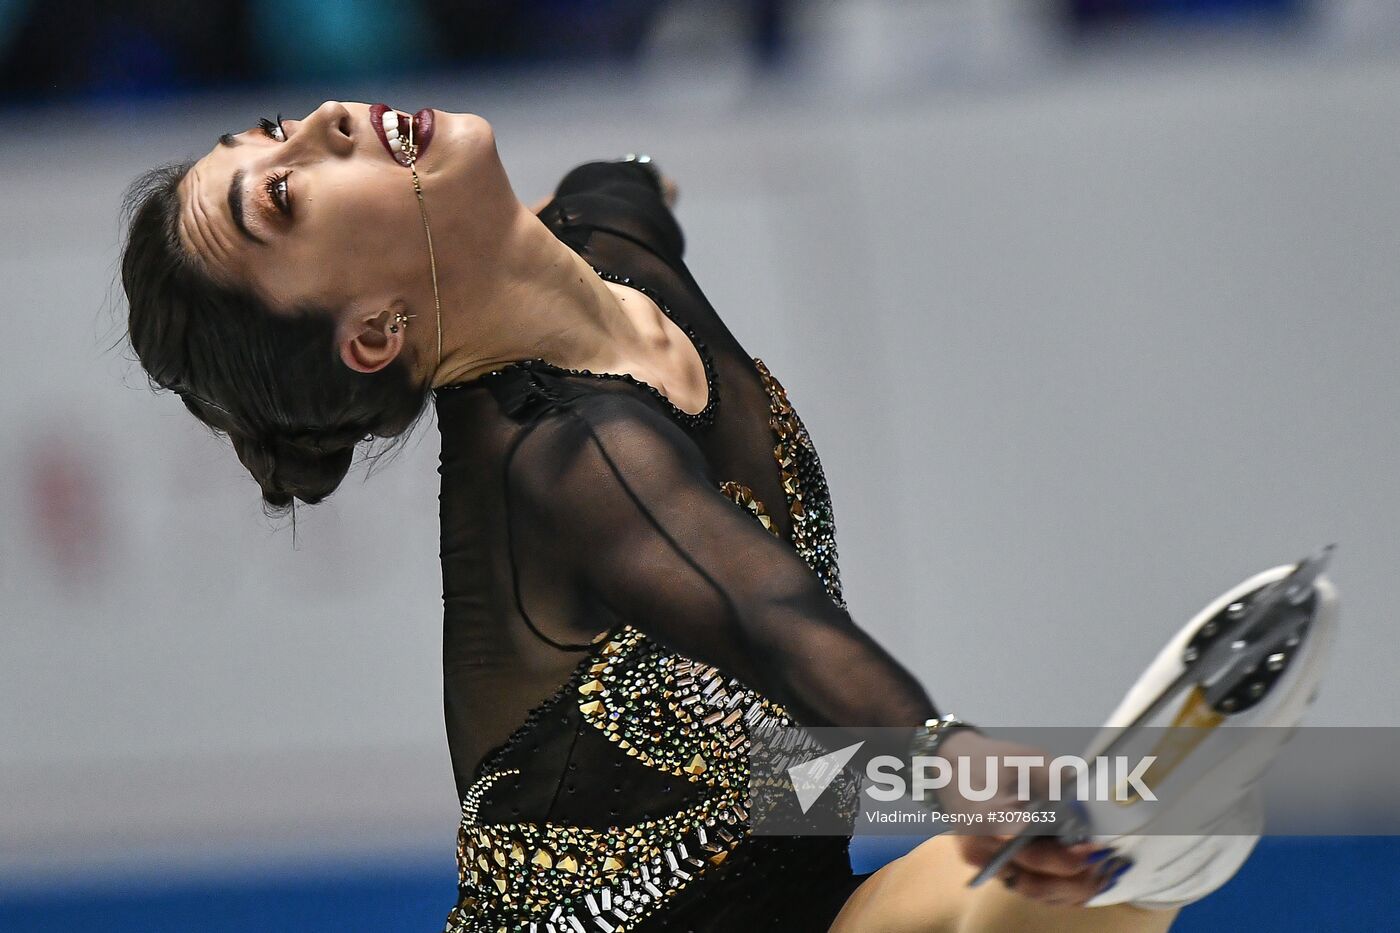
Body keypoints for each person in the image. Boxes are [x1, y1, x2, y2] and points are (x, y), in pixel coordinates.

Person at [120, 100, 1324, 932]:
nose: (326, 125)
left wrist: (628, 176)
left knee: (1016, 885)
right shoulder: (564, 457)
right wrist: (945, 752)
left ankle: (1124, 856)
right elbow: (766, 614)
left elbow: (620, 187)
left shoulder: (609, 251)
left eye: (276, 131)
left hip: (778, 883)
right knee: (1016, 887)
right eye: (286, 194)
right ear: (377, 333)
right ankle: (1127, 854)